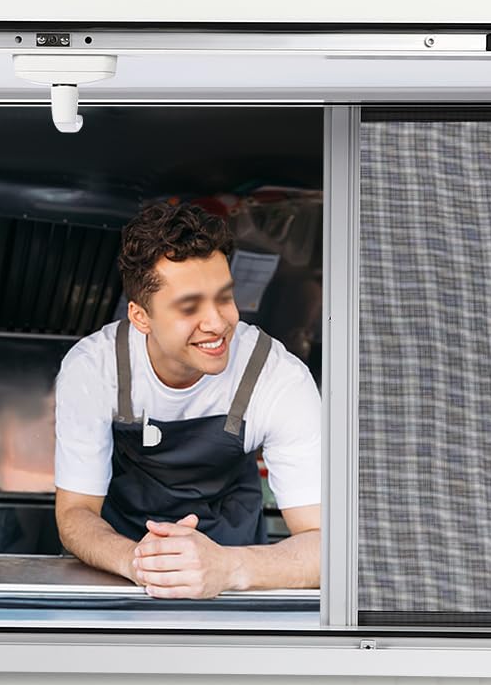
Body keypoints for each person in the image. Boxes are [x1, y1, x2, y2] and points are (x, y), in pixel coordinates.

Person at [53, 200, 321, 598]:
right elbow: (75, 513)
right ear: (140, 317)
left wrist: (229, 568)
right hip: (118, 580)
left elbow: (327, 543)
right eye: (189, 307)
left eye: (224, 298)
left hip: (236, 582)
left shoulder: (277, 377)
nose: (217, 323)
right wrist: (140, 564)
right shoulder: (94, 368)